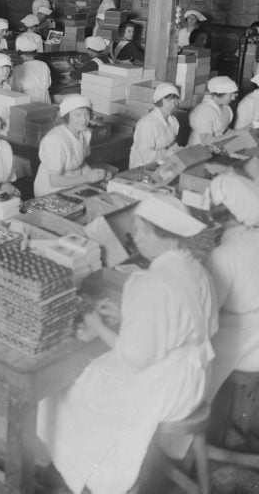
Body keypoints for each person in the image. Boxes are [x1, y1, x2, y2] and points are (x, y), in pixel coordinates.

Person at [37, 194, 216, 494]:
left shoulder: (153, 283)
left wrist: (96, 326)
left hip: (166, 386)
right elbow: (195, 323)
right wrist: (127, 315)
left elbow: (135, 358)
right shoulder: (195, 269)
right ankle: (78, 467)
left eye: (142, 229)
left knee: (71, 391)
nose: (135, 236)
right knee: (94, 377)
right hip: (195, 377)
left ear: (165, 235)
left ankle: (86, 476)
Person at [205, 173, 259, 399]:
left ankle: (213, 420)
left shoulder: (223, 255)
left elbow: (209, 314)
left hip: (250, 345)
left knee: (186, 357)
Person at [34, 94, 109, 196]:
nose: (83, 120)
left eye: (86, 115)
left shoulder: (85, 133)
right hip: (50, 191)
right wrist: (88, 178)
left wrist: (96, 175)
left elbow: (80, 162)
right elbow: (54, 180)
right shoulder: (56, 140)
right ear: (67, 116)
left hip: (73, 185)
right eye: (77, 115)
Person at [129, 82, 183, 168]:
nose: (173, 105)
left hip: (161, 164)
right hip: (142, 168)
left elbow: (170, 144)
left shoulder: (173, 121)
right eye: (168, 100)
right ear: (159, 101)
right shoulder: (147, 123)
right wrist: (168, 153)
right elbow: (145, 155)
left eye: (175, 101)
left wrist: (178, 150)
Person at [188, 76, 238, 146]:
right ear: (219, 94)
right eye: (230, 95)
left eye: (234, 94)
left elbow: (223, 131)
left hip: (217, 147)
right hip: (198, 151)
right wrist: (235, 133)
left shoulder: (226, 108)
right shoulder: (202, 111)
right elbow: (206, 141)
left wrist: (243, 130)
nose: (233, 98)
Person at [11, 36, 51, 103]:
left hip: (29, 100)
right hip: (45, 98)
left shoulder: (18, 69)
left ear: (20, 54)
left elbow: (15, 90)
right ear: (34, 53)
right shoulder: (43, 65)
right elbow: (48, 83)